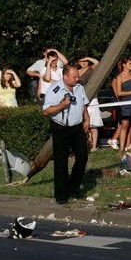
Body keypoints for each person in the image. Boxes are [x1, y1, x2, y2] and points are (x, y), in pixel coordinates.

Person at [42, 65, 90, 204]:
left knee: (82, 157)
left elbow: (83, 103)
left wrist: (87, 118)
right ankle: (61, 195)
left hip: (76, 127)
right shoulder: (55, 89)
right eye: (74, 77)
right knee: (61, 161)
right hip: (61, 127)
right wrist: (62, 106)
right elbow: (46, 111)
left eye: (77, 76)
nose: (77, 79)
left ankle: (74, 187)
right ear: (65, 76)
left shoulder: (79, 87)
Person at [110, 56, 131, 152]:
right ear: (124, 65)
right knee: (124, 125)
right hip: (126, 102)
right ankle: (121, 148)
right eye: (130, 63)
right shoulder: (119, 77)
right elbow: (119, 93)